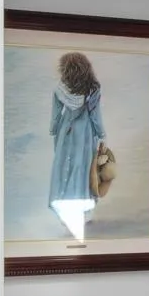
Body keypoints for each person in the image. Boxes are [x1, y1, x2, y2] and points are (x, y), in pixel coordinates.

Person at [48, 51, 105, 241]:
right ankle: (83, 213)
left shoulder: (60, 89)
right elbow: (95, 115)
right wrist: (101, 133)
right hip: (86, 133)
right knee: (83, 170)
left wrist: (54, 130)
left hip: (66, 131)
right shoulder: (93, 89)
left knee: (65, 168)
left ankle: (65, 211)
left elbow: (56, 116)